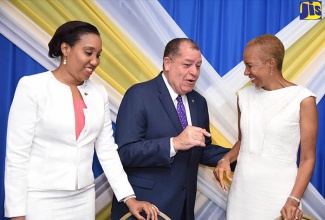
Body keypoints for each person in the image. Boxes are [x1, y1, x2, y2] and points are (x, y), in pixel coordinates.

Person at [4, 21, 159, 220]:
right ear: (66, 49)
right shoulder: (32, 87)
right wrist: (17, 214)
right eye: (88, 52)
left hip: (84, 200)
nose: (95, 61)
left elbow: (107, 151)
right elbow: (17, 156)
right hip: (40, 200)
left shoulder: (98, 93)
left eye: (98, 55)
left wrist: (129, 198)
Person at [110, 38, 234, 220]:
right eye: (187, 64)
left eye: (198, 66)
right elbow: (125, 152)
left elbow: (202, 149)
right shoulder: (139, 95)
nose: (194, 72)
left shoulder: (198, 103)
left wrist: (239, 156)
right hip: (144, 209)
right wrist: (174, 144)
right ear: (167, 63)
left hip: (183, 209)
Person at [213, 34, 318, 220]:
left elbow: (308, 159)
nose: (246, 72)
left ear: (271, 63)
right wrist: (226, 159)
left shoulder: (303, 99)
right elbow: (243, 141)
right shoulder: (243, 97)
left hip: (280, 198)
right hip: (241, 195)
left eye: (250, 65)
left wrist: (293, 200)